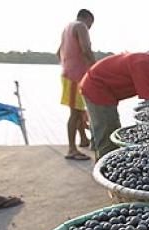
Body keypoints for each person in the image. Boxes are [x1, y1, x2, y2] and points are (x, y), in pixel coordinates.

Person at [80, 40, 149, 160]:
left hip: (108, 92)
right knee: (108, 133)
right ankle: (103, 168)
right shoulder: (142, 64)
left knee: (105, 128)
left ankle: (99, 154)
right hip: (97, 87)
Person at [57, 9, 96, 160]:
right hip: (75, 76)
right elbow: (86, 49)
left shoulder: (67, 28)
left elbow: (58, 52)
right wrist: (96, 69)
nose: (90, 28)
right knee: (75, 113)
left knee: (79, 110)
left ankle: (84, 139)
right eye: (91, 25)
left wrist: (68, 64)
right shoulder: (81, 26)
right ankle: (71, 149)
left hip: (68, 74)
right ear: (88, 19)